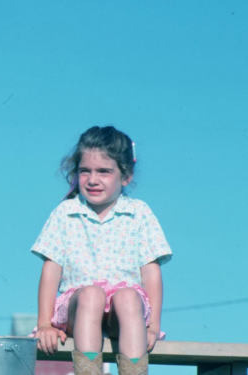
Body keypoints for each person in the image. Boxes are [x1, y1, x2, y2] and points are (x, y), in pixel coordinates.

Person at [32, 126, 172, 375]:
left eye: (104, 171)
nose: (93, 179)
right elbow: (51, 272)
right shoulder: (65, 213)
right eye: (85, 171)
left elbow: (151, 274)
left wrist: (153, 326)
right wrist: (44, 323)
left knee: (128, 296)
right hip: (80, 312)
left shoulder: (139, 214)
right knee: (91, 294)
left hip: (125, 316)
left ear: (126, 176)